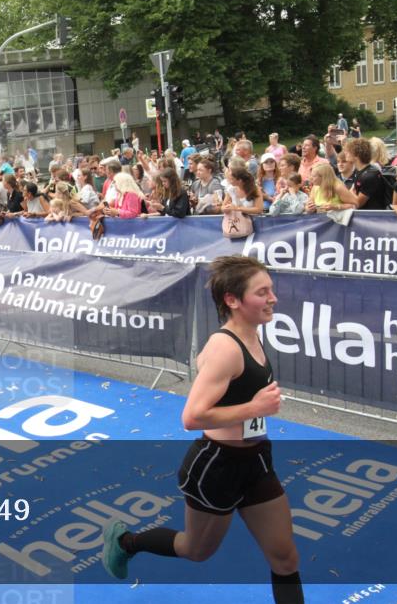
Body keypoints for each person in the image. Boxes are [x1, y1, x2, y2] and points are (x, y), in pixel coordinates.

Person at [103, 256, 303, 604]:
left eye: (271, 289)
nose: (273, 298)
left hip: (256, 462)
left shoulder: (252, 334)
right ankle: (125, 542)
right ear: (232, 300)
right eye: (263, 292)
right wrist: (254, 408)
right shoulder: (226, 348)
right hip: (217, 467)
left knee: (285, 559)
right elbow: (192, 417)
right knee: (195, 550)